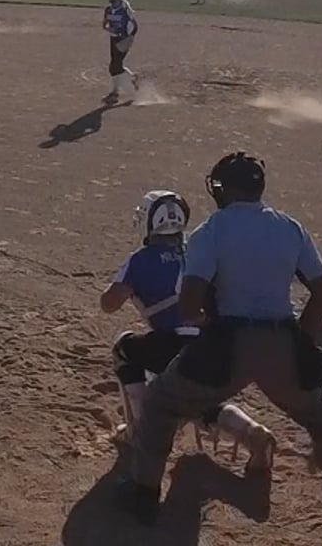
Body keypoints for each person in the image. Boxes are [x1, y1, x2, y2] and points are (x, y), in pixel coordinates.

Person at [117, 151, 322, 540]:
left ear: (221, 189)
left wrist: (210, 326)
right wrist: (301, 337)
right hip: (282, 340)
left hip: (228, 342)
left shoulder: (210, 231)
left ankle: (144, 494)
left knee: (163, 403)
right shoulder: (290, 227)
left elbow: (190, 304)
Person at [101, 189, 275, 472]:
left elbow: (109, 304)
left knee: (124, 349)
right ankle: (250, 431)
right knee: (195, 396)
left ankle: (139, 431)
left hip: (176, 345)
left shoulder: (141, 259)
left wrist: (135, 282)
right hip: (221, 346)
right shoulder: (200, 248)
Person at [102, 0, 141, 103]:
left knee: (115, 66)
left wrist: (129, 38)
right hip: (113, 39)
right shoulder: (108, 9)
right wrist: (107, 28)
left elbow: (135, 26)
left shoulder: (125, 10)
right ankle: (132, 78)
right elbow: (105, 24)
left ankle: (114, 93)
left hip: (123, 39)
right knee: (115, 66)